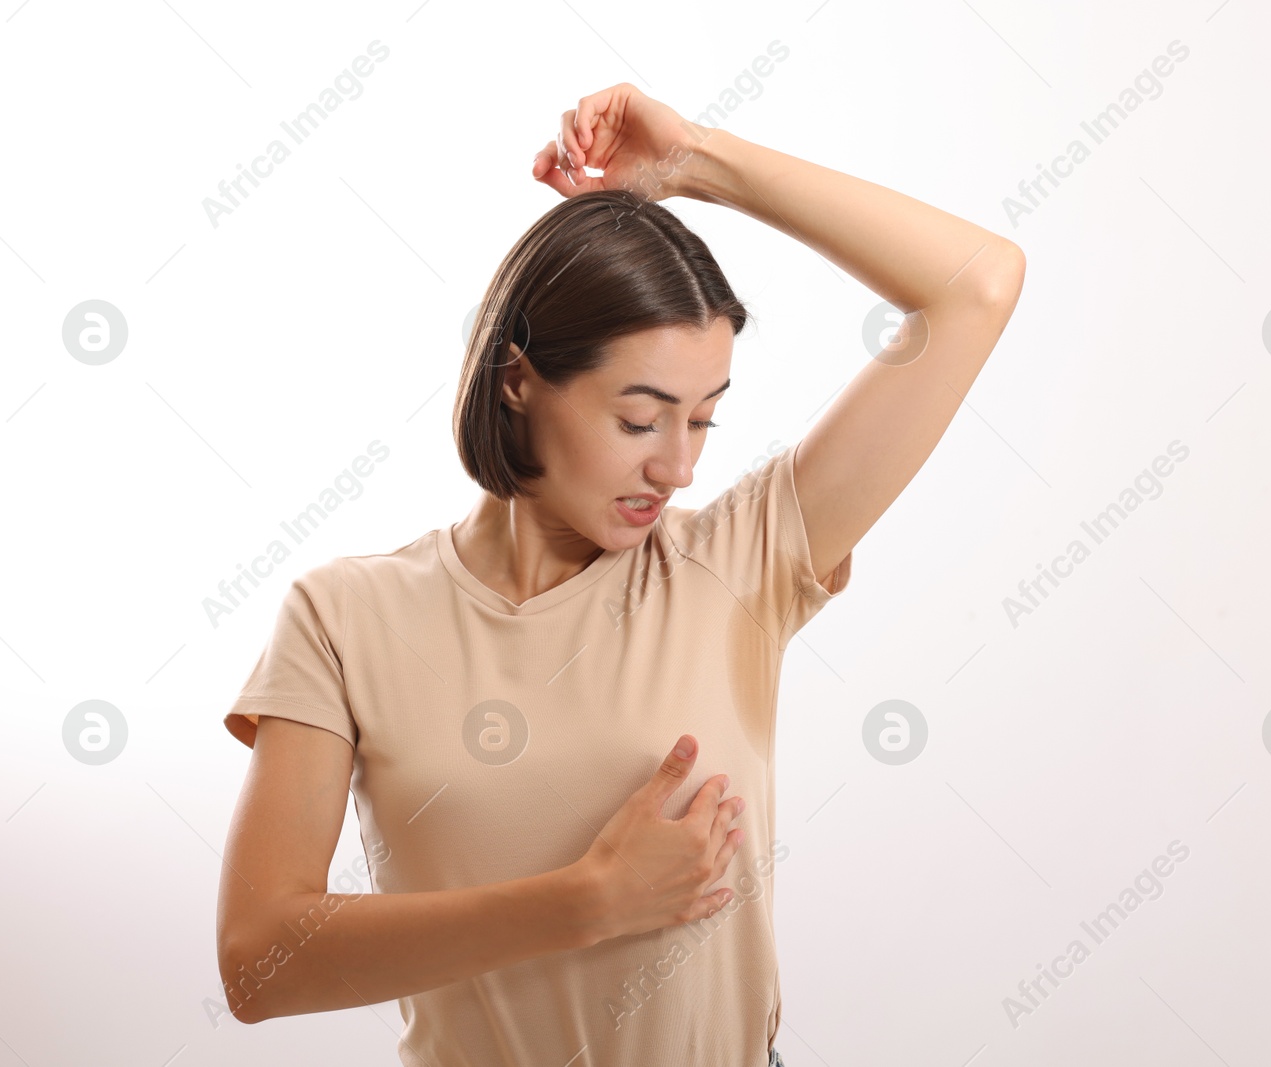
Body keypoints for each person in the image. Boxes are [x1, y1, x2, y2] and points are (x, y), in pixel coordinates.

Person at [215, 83, 1025, 1067]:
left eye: (703, 418)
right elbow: (260, 962)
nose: (679, 466)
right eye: (640, 419)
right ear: (517, 379)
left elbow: (976, 282)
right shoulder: (343, 615)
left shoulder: (736, 561)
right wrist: (586, 900)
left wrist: (696, 163)